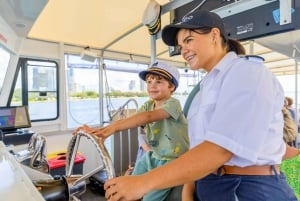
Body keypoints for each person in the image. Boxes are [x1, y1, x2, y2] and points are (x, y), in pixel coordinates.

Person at [103, 10, 300, 201]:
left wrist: (142, 183)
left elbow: (220, 149)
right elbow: (199, 148)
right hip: (209, 183)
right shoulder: (204, 89)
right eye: (180, 46)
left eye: (188, 40)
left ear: (214, 35)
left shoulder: (247, 73)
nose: (183, 50)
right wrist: (189, 190)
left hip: (246, 187)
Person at [76, 61, 189, 201]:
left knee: (150, 197)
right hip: (154, 156)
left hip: (173, 160)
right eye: (149, 81)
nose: (152, 85)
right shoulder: (148, 105)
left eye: (159, 81)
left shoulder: (173, 104)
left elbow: (147, 117)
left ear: (171, 86)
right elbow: (130, 119)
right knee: (127, 185)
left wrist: (113, 129)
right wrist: (100, 130)